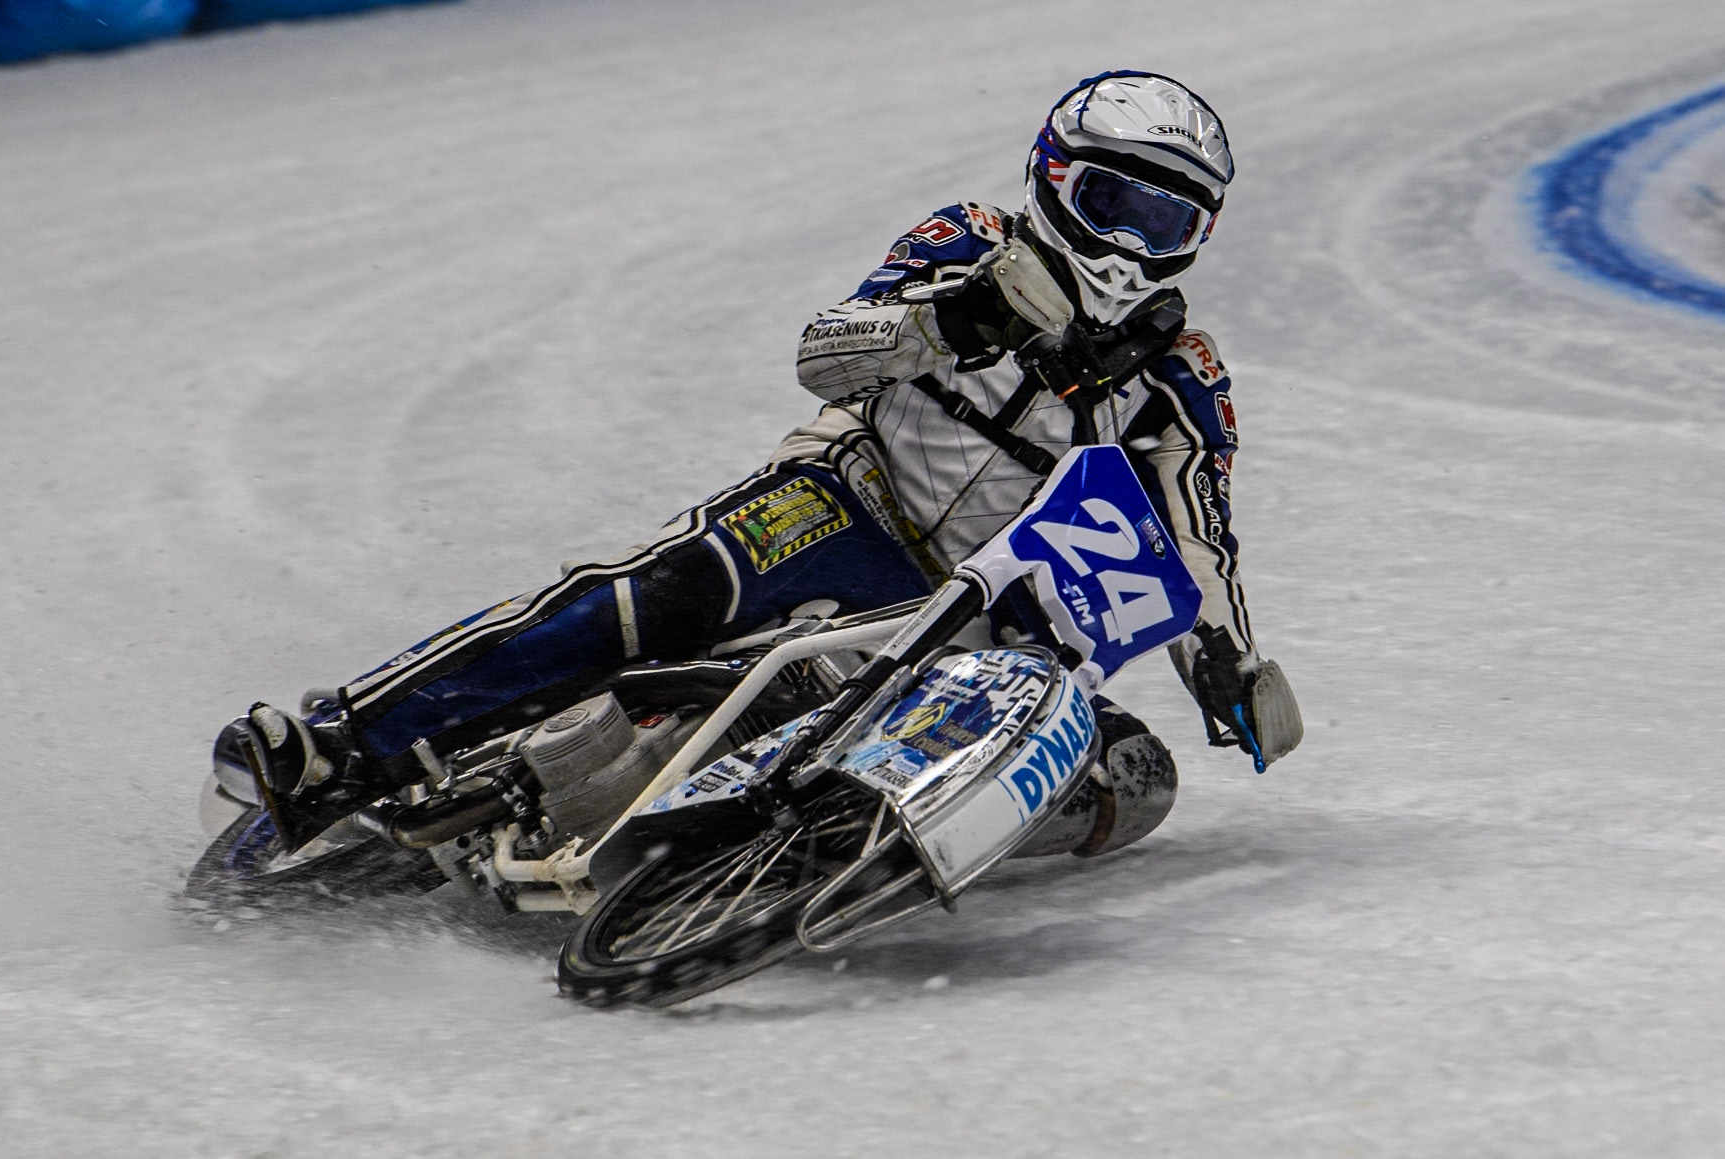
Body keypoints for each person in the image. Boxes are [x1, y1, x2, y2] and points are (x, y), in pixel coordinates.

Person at [230, 70, 1302, 854]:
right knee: (657, 587)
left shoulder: (1181, 376)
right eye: (1111, 205)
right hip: (849, 493)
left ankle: (814, 851)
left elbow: (1195, 535)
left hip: (984, 618)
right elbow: (822, 356)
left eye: (1162, 223)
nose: (1125, 248)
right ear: (1052, 180)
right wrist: (958, 321)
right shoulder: (967, 239)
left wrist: (1231, 666)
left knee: (1131, 778)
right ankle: (336, 741)